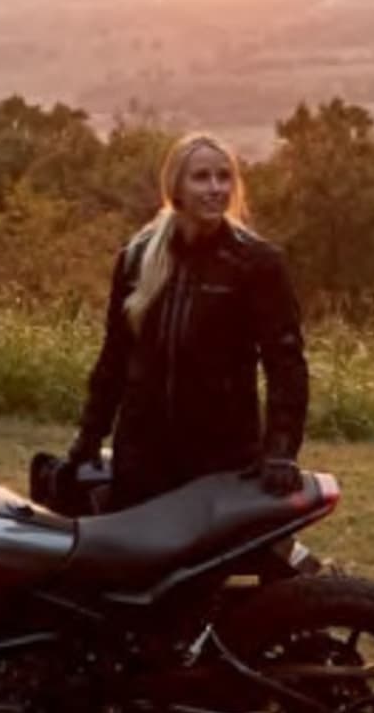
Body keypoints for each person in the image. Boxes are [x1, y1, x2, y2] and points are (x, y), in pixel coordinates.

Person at [64, 132, 309, 509]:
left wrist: (281, 450)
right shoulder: (136, 257)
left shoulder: (257, 263)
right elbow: (115, 355)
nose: (215, 188)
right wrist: (90, 436)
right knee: (137, 564)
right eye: (201, 177)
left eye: (224, 177)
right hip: (142, 453)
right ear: (175, 185)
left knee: (211, 568)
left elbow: (286, 364)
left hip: (222, 455)